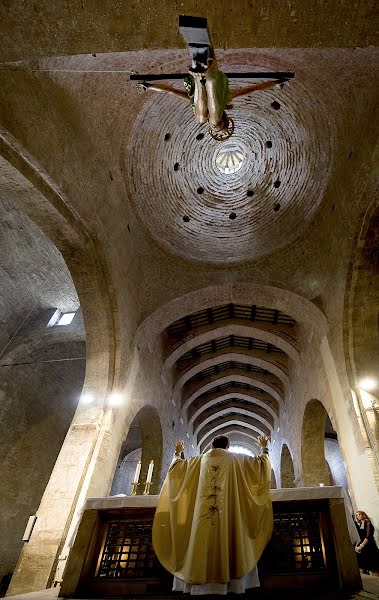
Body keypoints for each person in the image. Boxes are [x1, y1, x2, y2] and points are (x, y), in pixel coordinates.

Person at [152, 433, 273, 595]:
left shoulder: (197, 461)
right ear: (228, 446)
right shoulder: (237, 459)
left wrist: (177, 452)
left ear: (211, 446)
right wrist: (264, 448)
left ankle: (198, 583)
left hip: (200, 522)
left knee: (199, 538)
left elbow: (176, 469)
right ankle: (232, 585)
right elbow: (260, 467)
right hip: (230, 518)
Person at [140, 59, 285, 140]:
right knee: (203, 117)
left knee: (202, 118)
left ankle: (200, 80)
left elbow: (170, 91)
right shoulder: (226, 97)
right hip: (212, 81)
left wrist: (149, 86)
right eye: (218, 124)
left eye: (214, 127)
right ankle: (207, 81)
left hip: (195, 82)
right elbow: (254, 88)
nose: (214, 125)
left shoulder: (199, 111)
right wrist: (275, 83)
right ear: (223, 119)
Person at [354, 511, 379, 576]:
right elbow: (359, 537)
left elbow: (368, 536)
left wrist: (361, 546)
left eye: (359, 514)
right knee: (362, 567)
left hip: (369, 546)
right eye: (356, 515)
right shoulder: (359, 524)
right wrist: (356, 546)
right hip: (362, 547)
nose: (358, 516)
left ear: (363, 515)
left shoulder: (367, 522)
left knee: (373, 568)